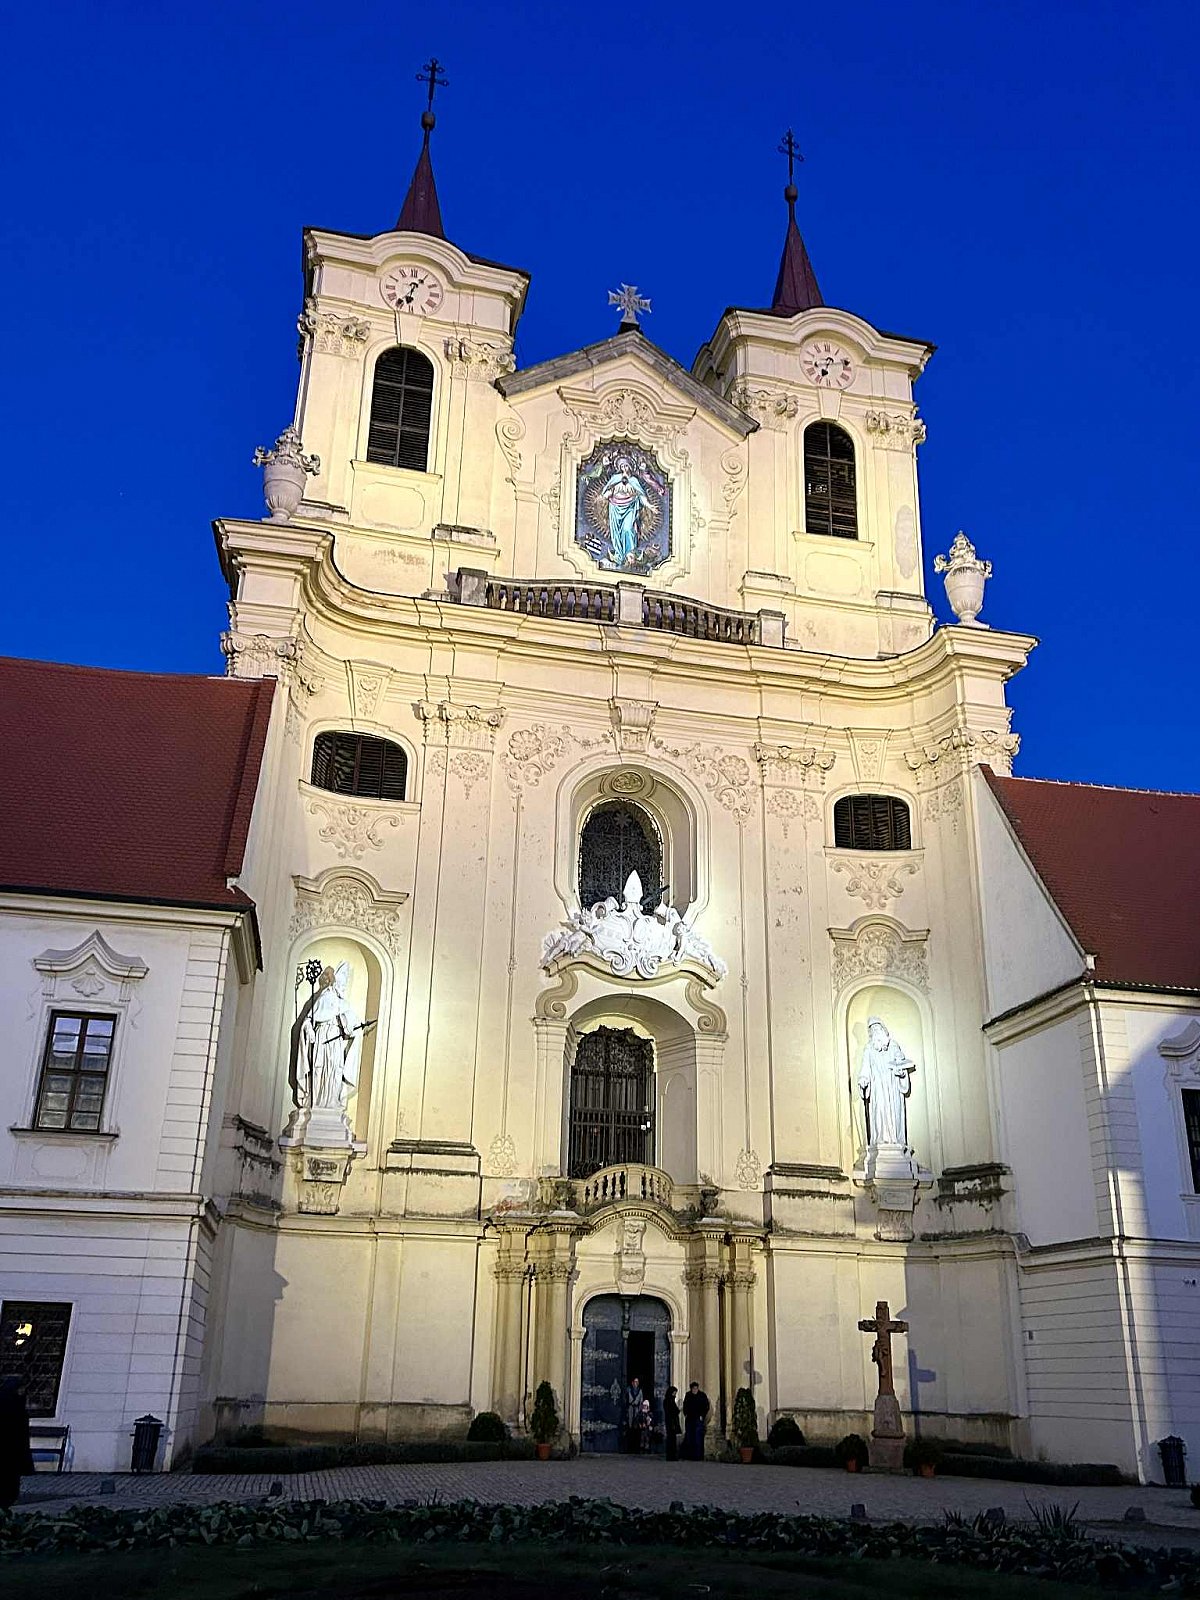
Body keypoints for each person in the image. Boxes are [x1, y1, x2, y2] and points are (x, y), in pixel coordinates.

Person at [857, 1017, 915, 1147]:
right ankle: (880, 1140)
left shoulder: (893, 1046)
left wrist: (901, 1074)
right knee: (879, 1114)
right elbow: (865, 1069)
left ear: (883, 1030)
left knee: (894, 1115)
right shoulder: (869, 1049)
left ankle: (896, 1141)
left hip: (893, 1088)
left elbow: (901, 1064)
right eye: (873, 1030)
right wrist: (863, 1080)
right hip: (878, 1089)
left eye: (878, 1028)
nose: (876, 1032)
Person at [601, 456, 650, 566]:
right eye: (622, 466)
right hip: (615, 508)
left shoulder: (634, 480)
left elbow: (641, 494)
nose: (624, 468)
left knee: (627, 529)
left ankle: (630, 553)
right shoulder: (615, 478)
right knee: (616, 532)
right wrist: (604, 495)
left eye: (626, 466)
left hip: (630, 507)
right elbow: (608, 490)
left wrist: (649, 505)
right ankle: (619, 554)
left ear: (630, 467)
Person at [0, 1377, 34, 1509]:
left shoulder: (17, 1405)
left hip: (13, 1450)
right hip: (10, 1448)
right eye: (20, 1390)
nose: (22, 1393)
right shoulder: (13, 1406)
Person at [681, 1380, 710, 1460]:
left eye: (696, 1388)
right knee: (689, 1437)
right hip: (690, 1419)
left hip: (698, 1418)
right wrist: (686, 1414)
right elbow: (685, 1405)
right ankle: (690, 1455)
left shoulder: (702, 1395)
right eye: (693, 1389)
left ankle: (698, 1456)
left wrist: (702, 1415)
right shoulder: (688, 1395)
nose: (694, 1390)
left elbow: (706, 1406)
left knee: (698, 1437)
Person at [624, 1375, 644, 1453]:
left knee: (636, 1427)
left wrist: (640, 1410)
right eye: (635, 1382)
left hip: (636, 1409)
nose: (636, 1383)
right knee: (629, 1426)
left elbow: (641, 1401)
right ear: (632, 1382)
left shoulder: (640, 1391)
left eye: (637, 1382)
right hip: (630, 1408)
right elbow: (625, 1399)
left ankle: (636, 1446)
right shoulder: (628, 1389)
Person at [663, 1384, 681, 1461]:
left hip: (672, 1422)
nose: (675, 1395)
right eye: (674, 1393)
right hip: (671, 1422)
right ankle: (671, 1456)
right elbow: (672, 1411)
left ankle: (672, 1455)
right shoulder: (668, 1401)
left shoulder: (670, 1401)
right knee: (671, 1439)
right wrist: (678, 1410)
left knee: (672, 1439)